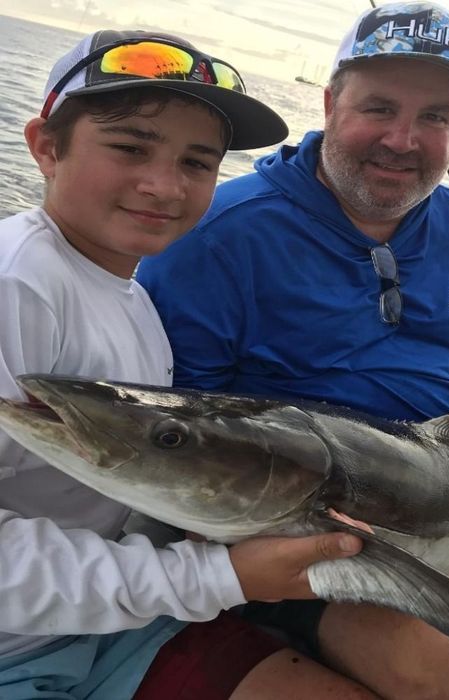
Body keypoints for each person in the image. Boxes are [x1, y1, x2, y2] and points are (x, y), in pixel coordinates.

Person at [137, 3, 449, 699]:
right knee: (419, 662)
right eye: (379, 108)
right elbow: (192, 417)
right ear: (329, 104)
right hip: (303, 509)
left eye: (435, 117)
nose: (403, 139)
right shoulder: (223, 234)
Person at [0, 28, 385, 700]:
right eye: (130, 147)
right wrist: (219, 580)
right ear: (45, 147)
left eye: (197, 163)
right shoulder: (17, 283)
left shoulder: (132, 297)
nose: (163, 185)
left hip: (116, 624)